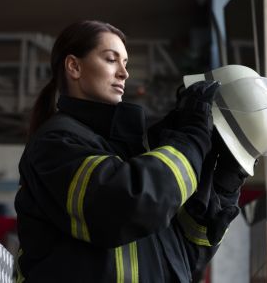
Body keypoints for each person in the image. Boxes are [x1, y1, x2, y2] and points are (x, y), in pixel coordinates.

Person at [14, 20, 248, 283]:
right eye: (111, 59)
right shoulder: (57, 142)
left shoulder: (128, 155)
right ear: (74, 67)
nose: (124, 73)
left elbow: (184, 261)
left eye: (125, 63)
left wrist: (222, 187)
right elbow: (129, 205)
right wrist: (192, 138)